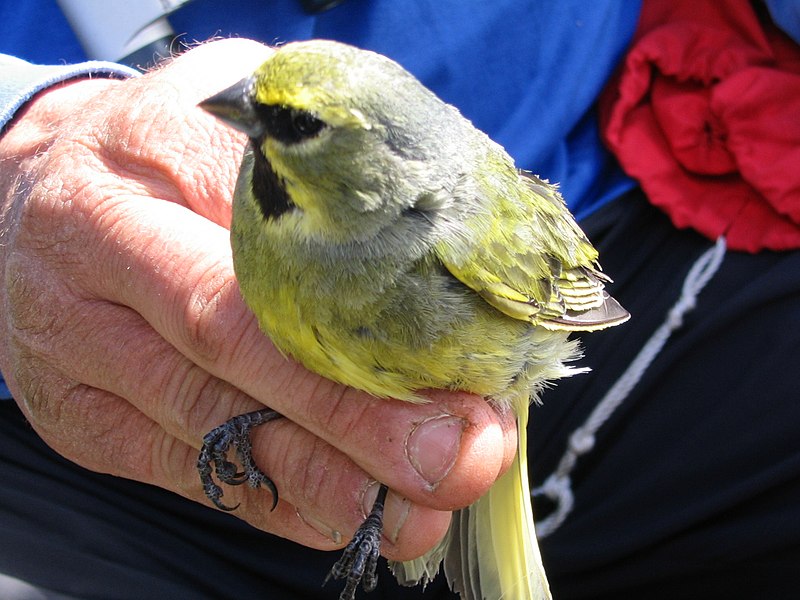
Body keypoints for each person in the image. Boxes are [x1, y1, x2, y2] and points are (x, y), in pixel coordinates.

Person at [1, 1, 798, 599]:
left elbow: (566, 297)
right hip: (77, 333)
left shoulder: (467, 239)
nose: (239, 115)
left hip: (619, 190)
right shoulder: (260, 191)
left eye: (293, 125)